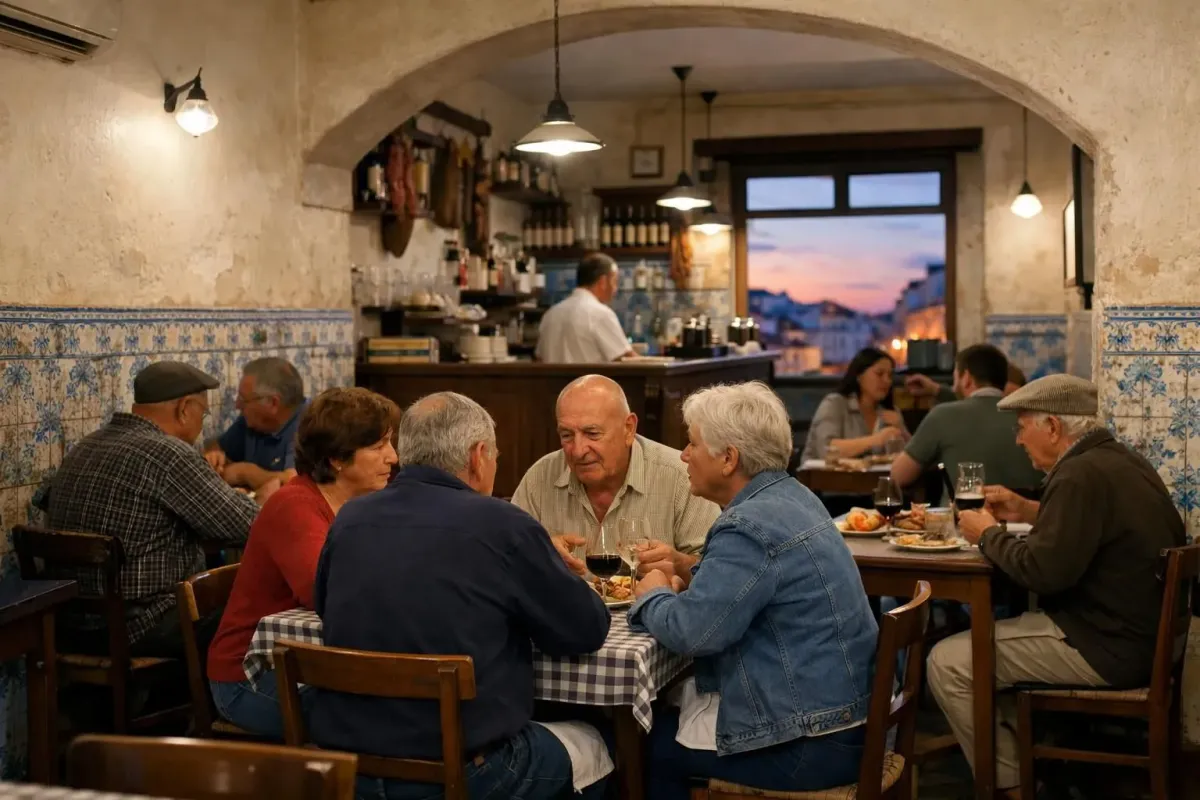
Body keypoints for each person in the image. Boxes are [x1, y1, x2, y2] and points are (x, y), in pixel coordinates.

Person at [312, 391, 613, 799]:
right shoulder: (502, 524)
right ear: (477, 456)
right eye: (495, 456)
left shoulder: (350, 518)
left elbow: (324, 607)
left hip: (349, 767)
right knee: (599, 743)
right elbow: (586, 630)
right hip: (467, 773)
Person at [928, 374, 1186, 798]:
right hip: (1143, 639)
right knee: (981, 656)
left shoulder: (1079, 475)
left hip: (1106, 647)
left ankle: (1013, 786)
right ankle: (1039, 762)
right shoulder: (1115, 459)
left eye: (1022, 426)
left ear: (1051, 428)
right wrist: (1027, 508)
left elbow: (1041, 572)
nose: (1017, 440)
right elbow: (1083, 531)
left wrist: (987, 533)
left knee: (947, 662)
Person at [630, 381, 878, 800]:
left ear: (728, 459)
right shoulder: (793, 496)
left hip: (810, 745)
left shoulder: (746, 527)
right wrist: (682, 564)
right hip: (849, 721)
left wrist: (652, 592)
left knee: (646, 744)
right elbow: (753, 582)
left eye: (691, 444)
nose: (684, 455)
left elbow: (695, 633)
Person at [34, 361, 275, 658]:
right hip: (140, 627)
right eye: (204, 411)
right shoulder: (169, 454)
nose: (202, 421)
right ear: (184, 408)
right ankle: (223, 703)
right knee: (261, 610)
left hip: (66, 627)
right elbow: (251, 527)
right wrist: (266, 497)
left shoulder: (87, 445)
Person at [206, 387, 399, 737]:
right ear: (337, 459)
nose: (394, 457)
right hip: (250, 677)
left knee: (405, 706)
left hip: (314, 666)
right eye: (378, 446)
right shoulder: (295, 505)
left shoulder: (365, 503)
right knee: (387, 719)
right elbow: (323, 592)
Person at [512, 375, 720, 576]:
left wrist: (681, 566)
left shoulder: (681, 476)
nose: (577, 450)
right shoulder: (541, 477)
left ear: (628, 429)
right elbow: (505, 559)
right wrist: (538, 554)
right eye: (567, 435)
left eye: (592, 434)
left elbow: (719, 571)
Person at [890, 344, 1042, 493]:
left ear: (966, 378)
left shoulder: (942, 415)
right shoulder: (1032, 417)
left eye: (955, 377)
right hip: (1027, 516)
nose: (954, 385)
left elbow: (899, 475)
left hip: (963, 515)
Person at [204, 357, 306, 489]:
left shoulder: (310, 425)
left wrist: (245, 473)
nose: (237, 405)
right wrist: (215, 458)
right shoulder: (252, 421)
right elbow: (216, 447)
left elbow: (294, 482)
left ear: (273, 403)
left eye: (243, 399)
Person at [801, 347, 908, 463]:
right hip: (823, 478)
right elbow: (826, 450)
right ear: (859, 376)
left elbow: (910, 459)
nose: (887, 381)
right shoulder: (835, 403)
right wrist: (876, 440)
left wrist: (902, 430)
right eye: (879, 374)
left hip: (872, 479)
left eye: (890, 376)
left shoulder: (891, 412)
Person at [535, 252, 636, 363]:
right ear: (603, 282)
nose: (615, 289)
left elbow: (539, 358)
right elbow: (627, 360)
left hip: (553, 381)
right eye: (615, 282)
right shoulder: (601, 314)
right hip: (588, 380)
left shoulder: (550, 314)